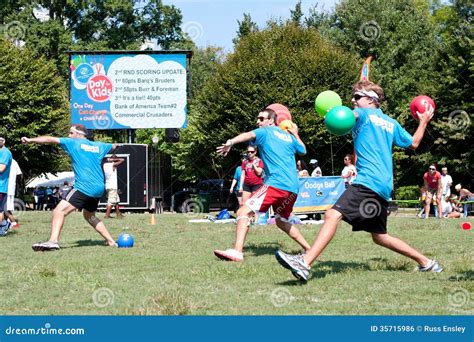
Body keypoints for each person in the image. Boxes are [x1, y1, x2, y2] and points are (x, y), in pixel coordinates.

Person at [275, 80, 442, 282]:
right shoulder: (391, 122)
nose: (352, 101)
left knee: (331, 214)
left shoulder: (362, 114)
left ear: (371, 100)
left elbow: (344, 117)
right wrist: (423, 122)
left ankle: (304, 262)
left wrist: (331, 112)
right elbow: (414, 143)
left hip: (368, 181)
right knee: (379, 236)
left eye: (356, 97)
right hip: (383, 186)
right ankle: (427, 263)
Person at [213, 106, 311, 262]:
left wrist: (230, 142)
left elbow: (247, 135)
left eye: (261, 119)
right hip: (292, 188)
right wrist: (296, 134)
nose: (258, 122)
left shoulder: (266, 132)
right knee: (281, 220)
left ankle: (237, 252)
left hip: (275, 185)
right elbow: (303, 150)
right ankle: (309, 250)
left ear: (271, 121)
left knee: (242, 212)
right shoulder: (288, 136)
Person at [21, 124, 118, 251]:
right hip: (98, 189)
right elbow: (114, 146)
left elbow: (50, 139)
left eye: (71, 133)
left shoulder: (73, 143)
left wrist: (30, 140)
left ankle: (53, 241)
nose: (69, 135)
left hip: (84, 187)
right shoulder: (99, 146)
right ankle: (111, 241)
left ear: (79, 134)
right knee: (90, 216)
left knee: (58, 211)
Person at [103, 154, 125, 218]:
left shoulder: (105, 165)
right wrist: (114, 160)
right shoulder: (113, 165)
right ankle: (107, 215)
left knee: (116, 200)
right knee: (111, 201)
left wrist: (110, 159)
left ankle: (118, 214)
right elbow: (122, 160)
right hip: (113, 186)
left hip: (108, 185)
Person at [0, 136, 13, 236]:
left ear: (4, 141)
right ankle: (5, 224)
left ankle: (3, 226)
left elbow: (1, 168)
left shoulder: (5, 152)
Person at [5, 159, 22, 228]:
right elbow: (19, 175)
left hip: (4, 187)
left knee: (4, 208)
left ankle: (13, 223)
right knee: (7, 207)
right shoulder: (14, 161)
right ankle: (6, 223)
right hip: (11, 188)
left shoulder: (2, 159)